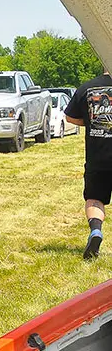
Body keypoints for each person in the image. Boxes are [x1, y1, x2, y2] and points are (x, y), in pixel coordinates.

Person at [65, 71, 112, 259]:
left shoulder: (87, 88)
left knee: (94, 198)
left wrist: (94, 122)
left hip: (97, 156)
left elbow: (70, 117)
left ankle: (96, 231)